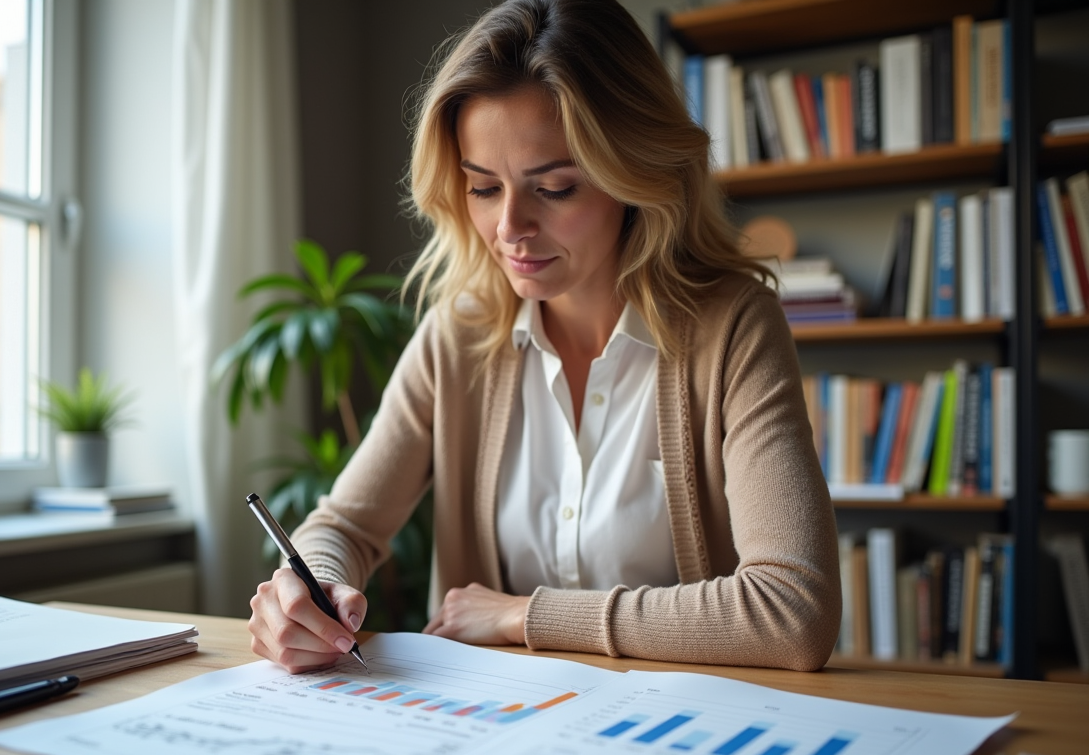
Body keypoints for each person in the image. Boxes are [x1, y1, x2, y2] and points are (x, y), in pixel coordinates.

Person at [248, 0, 840, 674]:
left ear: (636, 176)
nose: (509, 227)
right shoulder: (458, 336)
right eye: (482, 188)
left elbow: (793, 611)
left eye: (554, 187)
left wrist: (522, 614)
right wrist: (313, 587)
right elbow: (344, 526)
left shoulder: (734, 327)